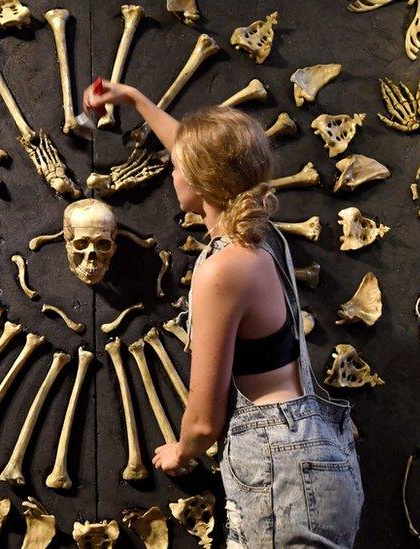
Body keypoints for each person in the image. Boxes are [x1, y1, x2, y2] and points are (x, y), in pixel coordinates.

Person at [83, 81, 364, 548]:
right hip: (320, 451)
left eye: (177, 168)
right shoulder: (264, 236)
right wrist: (136, 100)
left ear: (201, 181)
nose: (173, 172)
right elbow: (202, 156)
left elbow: (205, 420)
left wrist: (182, 451)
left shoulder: (222, 270)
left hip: (280, 470)